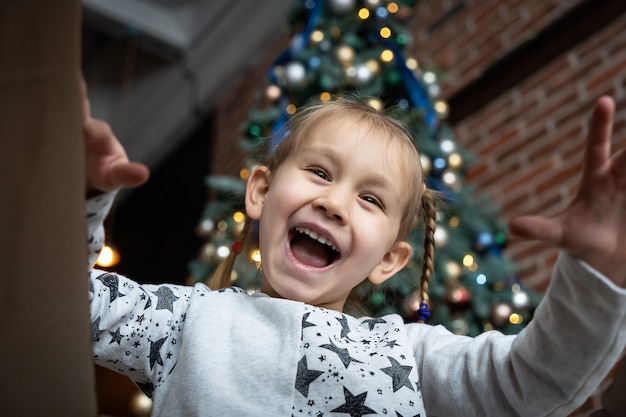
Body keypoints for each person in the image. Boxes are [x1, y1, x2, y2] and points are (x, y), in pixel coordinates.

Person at [84, 80, 626, 416]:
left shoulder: (412, 359)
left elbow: (531, 383)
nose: (335, 203)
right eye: (319, 172)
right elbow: (69, 304)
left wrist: (595, 272)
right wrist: (83, 195)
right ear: (262, 191)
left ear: (390, 260)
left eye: (370, 199)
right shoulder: (185, 321)